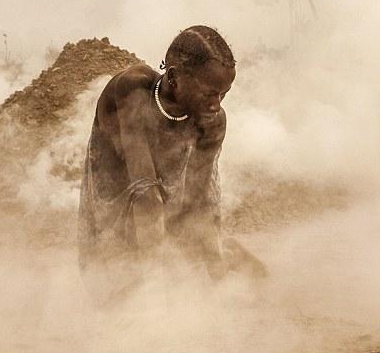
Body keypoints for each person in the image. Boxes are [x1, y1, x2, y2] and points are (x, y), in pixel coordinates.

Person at [78, 25, 264, 302]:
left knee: (232, 271)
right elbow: (145, 192)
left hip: (163, 211)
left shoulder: (212, 122)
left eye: (223, 94)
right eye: (209, 93)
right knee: (116, 296)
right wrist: (157, 289)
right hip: (114, 209)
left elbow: (198, 202)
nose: (217, 104)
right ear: (175, 77)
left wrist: (216, 271)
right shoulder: (132, 89)